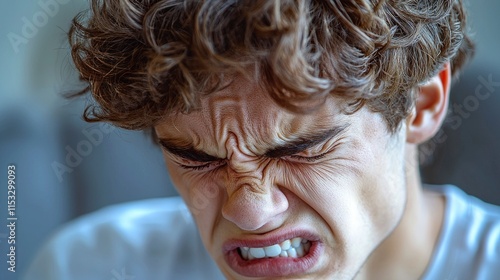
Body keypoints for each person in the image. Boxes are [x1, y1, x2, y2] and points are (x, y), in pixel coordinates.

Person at [25, 0, 500, 279]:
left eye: (301, 149)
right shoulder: (86, 267)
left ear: (422, 105)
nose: (249, 212)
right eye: (197, 158)